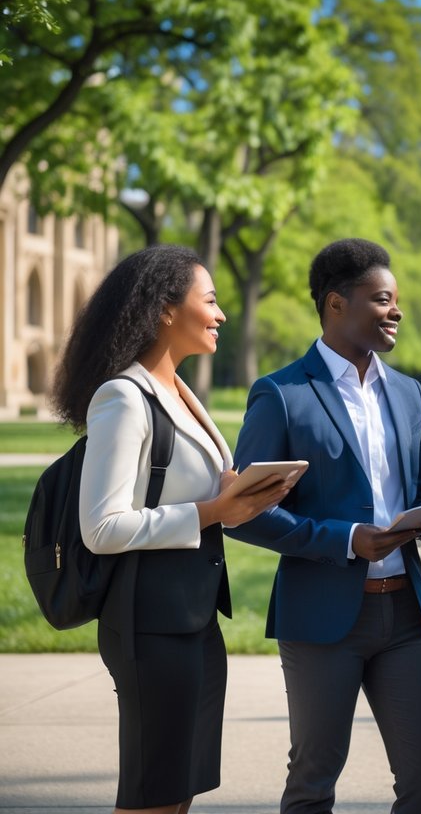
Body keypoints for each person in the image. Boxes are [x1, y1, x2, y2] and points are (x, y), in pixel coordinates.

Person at [226, 238, 421, 814]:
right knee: (313, 781)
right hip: (322, 619)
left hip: (405, 614)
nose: (397, 311)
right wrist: (344, 539)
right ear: (337, 304)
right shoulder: (281, 394)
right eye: (382, 299)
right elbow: (242, 513)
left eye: (396, 300)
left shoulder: (407, 394)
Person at [54, 245, 289, 814]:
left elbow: (182, 493)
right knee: (150, 794)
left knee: (177, 792)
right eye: (209, 301)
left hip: (195, 617)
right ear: (164, 309)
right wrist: (214, 513)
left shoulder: (182, 394)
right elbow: (102, 527)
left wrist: (238, 495)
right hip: (148, 622)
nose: (221, 314)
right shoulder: (123, 398)